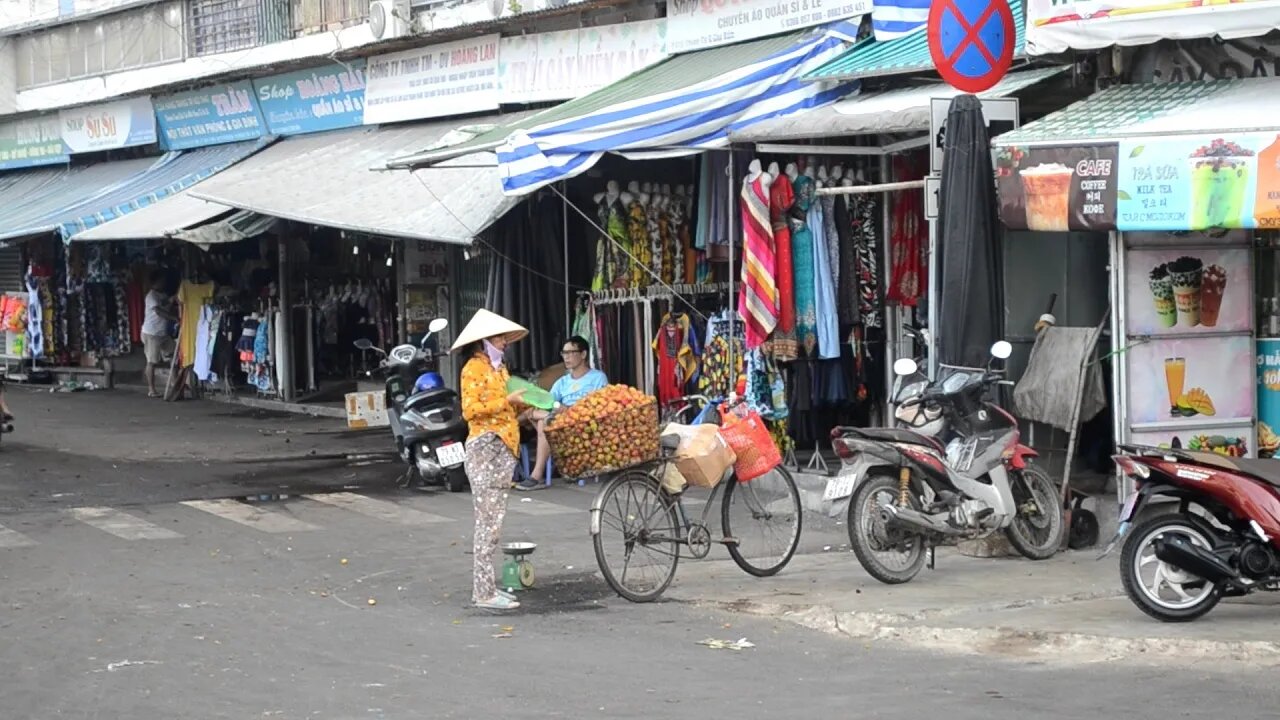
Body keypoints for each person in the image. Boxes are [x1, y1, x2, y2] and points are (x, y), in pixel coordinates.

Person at [455, 309, 530, 612]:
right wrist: (508, 402)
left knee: (493, 521)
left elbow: (507, 413)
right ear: (484, 341)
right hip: (486, 447)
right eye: (500, 337)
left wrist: (528, 409)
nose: (505, 342)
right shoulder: (473, 368)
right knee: (487, 522)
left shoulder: (500, 371)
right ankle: (483, 592)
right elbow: (471, 410)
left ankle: (487, 588)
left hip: (502, 448)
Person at [517, 336, 608, 491]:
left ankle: (536, 476)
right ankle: (536, 475)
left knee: (543, 421)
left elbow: (600, 408)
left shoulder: (597, 378)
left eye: (571, 352)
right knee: (541, 416)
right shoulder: (562, 382)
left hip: (583, 424)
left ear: (583, 354)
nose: (566, 357)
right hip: (559, 422)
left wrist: (570, 410)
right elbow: (549, 403)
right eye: (564, 353)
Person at [142, 272, 177, 398]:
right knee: (152, 361)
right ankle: (152, 389)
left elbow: (166, 305)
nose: (164, 283)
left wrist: (172, 300)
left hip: (163, 333)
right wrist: (174, 318)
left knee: (173, 356)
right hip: (152, 333)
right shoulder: (151, 296)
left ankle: (175, 384)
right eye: (161, 280)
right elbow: (159, 311)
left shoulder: (162, 295)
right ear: (155, 282)